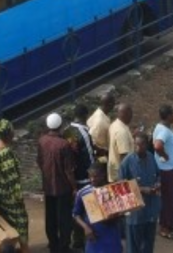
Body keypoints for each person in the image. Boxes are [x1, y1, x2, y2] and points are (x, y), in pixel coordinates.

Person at [37, 113, 76, 253]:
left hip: (48, 187)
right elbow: (69, 170)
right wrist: (74, 187)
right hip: (63, 188)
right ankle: (64, 246)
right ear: (60, 126)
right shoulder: (64, 144)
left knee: (50, 217)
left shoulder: (41, 141)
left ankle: (53, 244)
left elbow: (39, 161)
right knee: (64, 218)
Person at [0, 120, 30, 253]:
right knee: (21, 221)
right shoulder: (5, 152)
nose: (13, 132)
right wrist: (18, 197)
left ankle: (6, 248)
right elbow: (12, 178)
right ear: (7, 134)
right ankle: (24, 249)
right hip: (9, 193)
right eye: (11, 130)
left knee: (5, 221)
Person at [119, 133, 160, 253]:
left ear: (146, 145)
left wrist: (158, 183)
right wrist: (142, 189)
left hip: (151, 209)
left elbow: (158, 175)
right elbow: (121, 186)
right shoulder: (127, 162)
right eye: (136, 145)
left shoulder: (151, 157)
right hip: (135, 213)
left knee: (148, 243)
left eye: (141, 145)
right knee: (134, 246)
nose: (138, 148)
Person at [63, 104, 95, 249]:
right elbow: (90, 159)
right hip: (84, 179)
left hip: (71, 180)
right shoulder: (84, 133)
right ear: (85, 116)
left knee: (76, 210)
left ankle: (77, 241)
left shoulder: (67, 131)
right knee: (89, 211)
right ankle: (88, 239)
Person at [73, 163, 122, 253]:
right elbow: (76, 214)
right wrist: (86, 228)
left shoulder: (112, 190)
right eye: (90, 176)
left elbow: (123, 211)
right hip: (94, 238)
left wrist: (116, 216)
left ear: (103, 175)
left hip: (111, 238)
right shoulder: (83, 192)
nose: (92, 179)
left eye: (95, 176)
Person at [153, 104, 173, 240]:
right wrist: (164, 156)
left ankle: (171, 222)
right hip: (167, 170)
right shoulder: (163, 131)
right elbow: (158, 145)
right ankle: (165, 227)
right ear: (169, 116)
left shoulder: (162, 127)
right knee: (169, 198)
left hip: (170, 167)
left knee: (170, 197)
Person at [108, 103, 134, 182]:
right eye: (131, 114)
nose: (132, 116)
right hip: (121, 175)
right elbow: (124, 156)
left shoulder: (114, 125)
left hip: (114, 170)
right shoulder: (122, 131)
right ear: (126, 114)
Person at [87, 92, 115, 159]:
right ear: (110, 104)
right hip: (100, 154)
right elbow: (94, 143)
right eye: (114, 103)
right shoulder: (100, 122)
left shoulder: (99, 112)